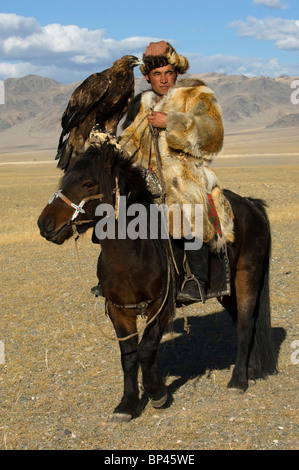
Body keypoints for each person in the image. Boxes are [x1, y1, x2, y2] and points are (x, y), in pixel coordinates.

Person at [92, 41, 227, 304]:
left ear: (177, 72)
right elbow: (130, 141)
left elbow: (214, 135)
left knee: (183, 204)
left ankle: (196, 279)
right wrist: (109, 150)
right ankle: (112, 275)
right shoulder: (140, 103)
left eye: (168, 73)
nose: (163, 80)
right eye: (156, 74)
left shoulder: (197, 94)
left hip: (187, 171)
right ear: (146, 76)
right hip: (149, 176)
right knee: (113, 208)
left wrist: (173, 122)